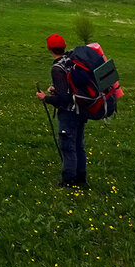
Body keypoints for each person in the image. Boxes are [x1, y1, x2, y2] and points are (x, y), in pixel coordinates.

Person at [36, 33, 88, 189]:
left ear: (49, 49)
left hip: (69, 112)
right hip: (82, 108)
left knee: (68, 146)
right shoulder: (72, 59)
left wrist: (45, 98)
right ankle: (81, 178)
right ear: (64, 46)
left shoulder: (57, 68)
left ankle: (69, 181)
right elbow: (69, 87)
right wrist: (57, 89)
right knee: (78, 144)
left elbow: (63, 99)